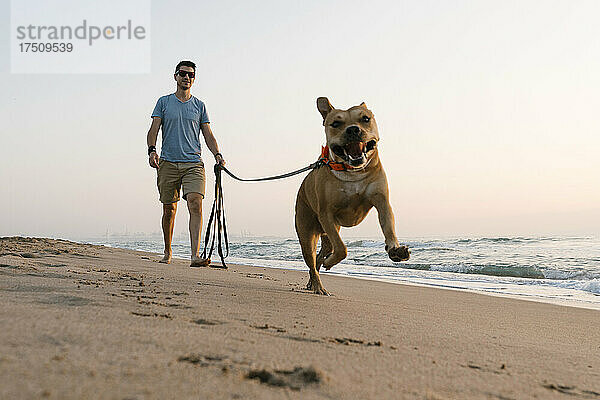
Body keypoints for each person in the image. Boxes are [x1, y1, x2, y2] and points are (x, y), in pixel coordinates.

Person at [146, 60, 225, 267]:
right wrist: (152, 150)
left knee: (195, 203)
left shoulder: (199, 106)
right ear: (175, 76)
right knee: (169, 210)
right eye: (183, 74)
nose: (186, 77)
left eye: (190, 75)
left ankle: (194, 255)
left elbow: (208, 134)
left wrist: (217, 154)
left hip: (193, 164)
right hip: (168, 163)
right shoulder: (163, 102)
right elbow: (153, 130)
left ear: (194, 79)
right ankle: (167, 250)